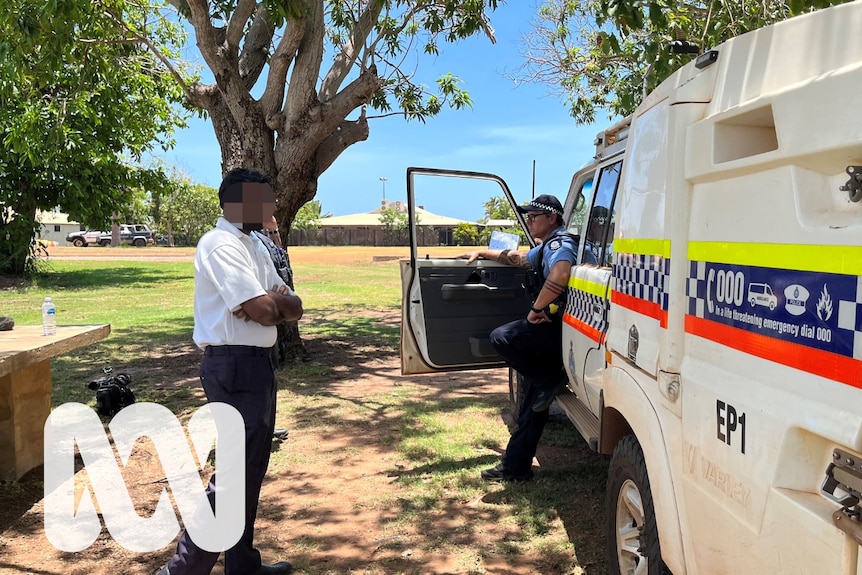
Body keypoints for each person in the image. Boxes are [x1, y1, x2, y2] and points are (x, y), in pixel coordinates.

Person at [158, 168, 303, 575]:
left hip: (256, 365)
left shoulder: (252, 245)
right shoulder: (220, 244)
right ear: (240, 203)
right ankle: (182, 571)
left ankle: (243, 565)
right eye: (266, 200)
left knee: (251, 470)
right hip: (233, 366)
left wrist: (273, 306)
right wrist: (269, 306)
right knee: (235, 476)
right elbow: (264, 309)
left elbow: (292, 306)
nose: (272, 207)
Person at [461, 194, 578, 482]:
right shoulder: (545, 246)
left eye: (534, 216)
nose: (529, 221)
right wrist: (482, 252)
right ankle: (516, 467)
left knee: (502, 337)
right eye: (528, 216)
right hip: (556, 330)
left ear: (552, 218)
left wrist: (536, 308)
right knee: (534, 397)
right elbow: (518, 258)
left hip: (559, 329)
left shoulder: (559, 244)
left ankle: (548, 379)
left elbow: (562, 273)